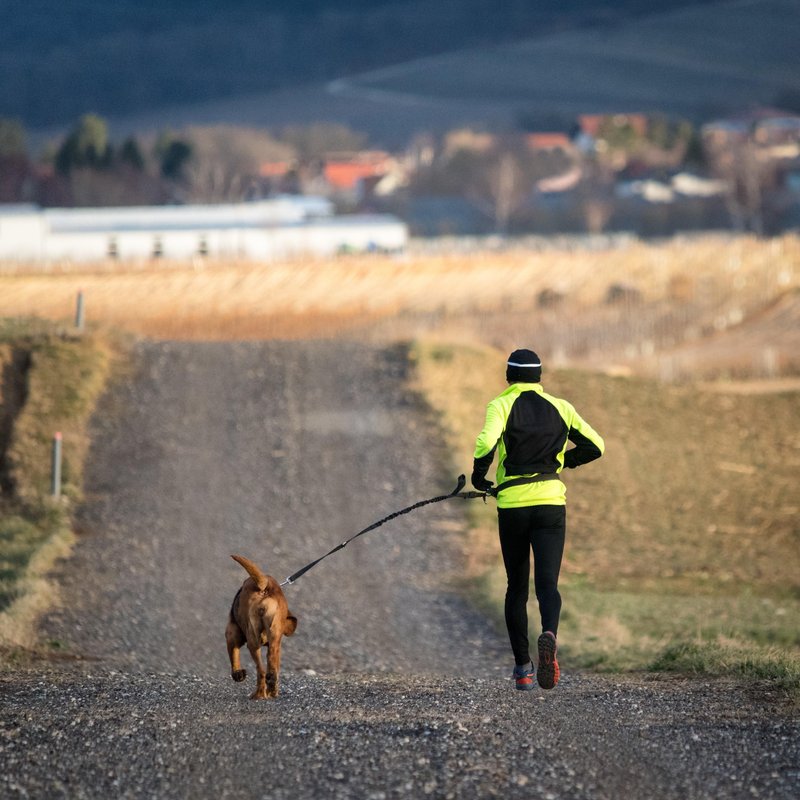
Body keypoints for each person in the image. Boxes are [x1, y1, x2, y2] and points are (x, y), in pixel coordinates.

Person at [471, 348, 604, 691]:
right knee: (548, 585)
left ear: (508, 376)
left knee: (516, 586)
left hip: (513, 506)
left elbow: (487, 441)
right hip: (550, 504)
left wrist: (478, 476)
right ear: (539, 376)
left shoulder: (500, 404)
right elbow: (596, 446)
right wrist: (564, 463)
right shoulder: (562, 407)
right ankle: (550, 634)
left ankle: (524, 668)